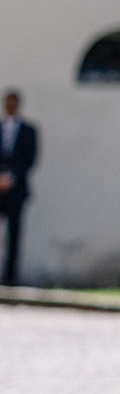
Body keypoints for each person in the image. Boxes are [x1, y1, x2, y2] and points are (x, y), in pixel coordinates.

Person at [0, 90, 40, 288]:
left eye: (13, 103)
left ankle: (10, 278)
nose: (10, 106)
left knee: (14, 234)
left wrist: (11, 177)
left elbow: (31, 159)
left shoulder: (29, 130)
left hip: (17, 190)